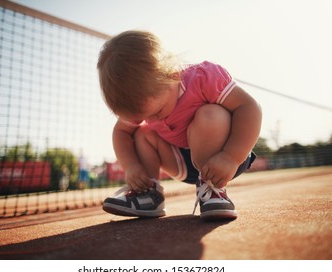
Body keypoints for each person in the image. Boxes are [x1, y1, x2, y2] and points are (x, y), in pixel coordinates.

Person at [97, 30, 262, 221]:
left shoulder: (204, 78)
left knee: (210, 114)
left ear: (172, 76)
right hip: (182, 162)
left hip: (227, 155)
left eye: (156, 113)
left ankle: (213, 189)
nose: (153, 119)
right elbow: (121, 132)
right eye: (145, 116)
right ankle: (148, 192)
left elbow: (250, 108)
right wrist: (132, 167)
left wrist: (231, 157)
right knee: (142, 132)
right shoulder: (144, 97)